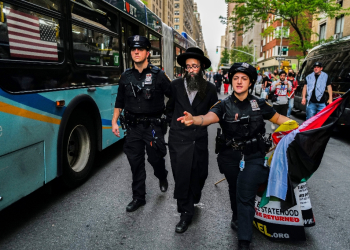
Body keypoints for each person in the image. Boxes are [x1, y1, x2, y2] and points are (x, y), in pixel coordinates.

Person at [177, 62, 292, 250]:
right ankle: (236, 216)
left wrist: (299, 126)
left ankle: (244, 240)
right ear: (231, 81)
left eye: (244, 78)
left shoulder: (260, 104)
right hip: (229, 157)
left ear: (251, 82)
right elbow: (208, 118)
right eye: (236, 78)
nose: (239, 82)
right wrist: (195, 120)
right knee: (234, 188)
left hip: (254, 156)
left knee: (245, 194)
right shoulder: (223, 105)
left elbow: (279, 119)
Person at [112, 35, 171, 212]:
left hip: (153, 127)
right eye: (133, 49)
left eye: (140, 49)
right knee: (135, 162)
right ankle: (139, 198)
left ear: (147, 53)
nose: (136, 52)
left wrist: (168, 116)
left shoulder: (159, 75)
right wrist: (114, 121)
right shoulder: (126, 76)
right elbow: (119, 101)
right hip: (133, 127)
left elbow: (174, 96)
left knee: (155, 158)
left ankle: (162, 175)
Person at [166, 47, 218, 234]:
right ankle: (185, 212)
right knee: (182, 176)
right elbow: (169, 109)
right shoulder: (175, 86)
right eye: (188, 67)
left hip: (199, 139)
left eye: (194, 66)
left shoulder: (210, 89)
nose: (190, 70)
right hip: (178, 139)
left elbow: (215, 113)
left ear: (202, 67)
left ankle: (193, 198)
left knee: (200, 175)